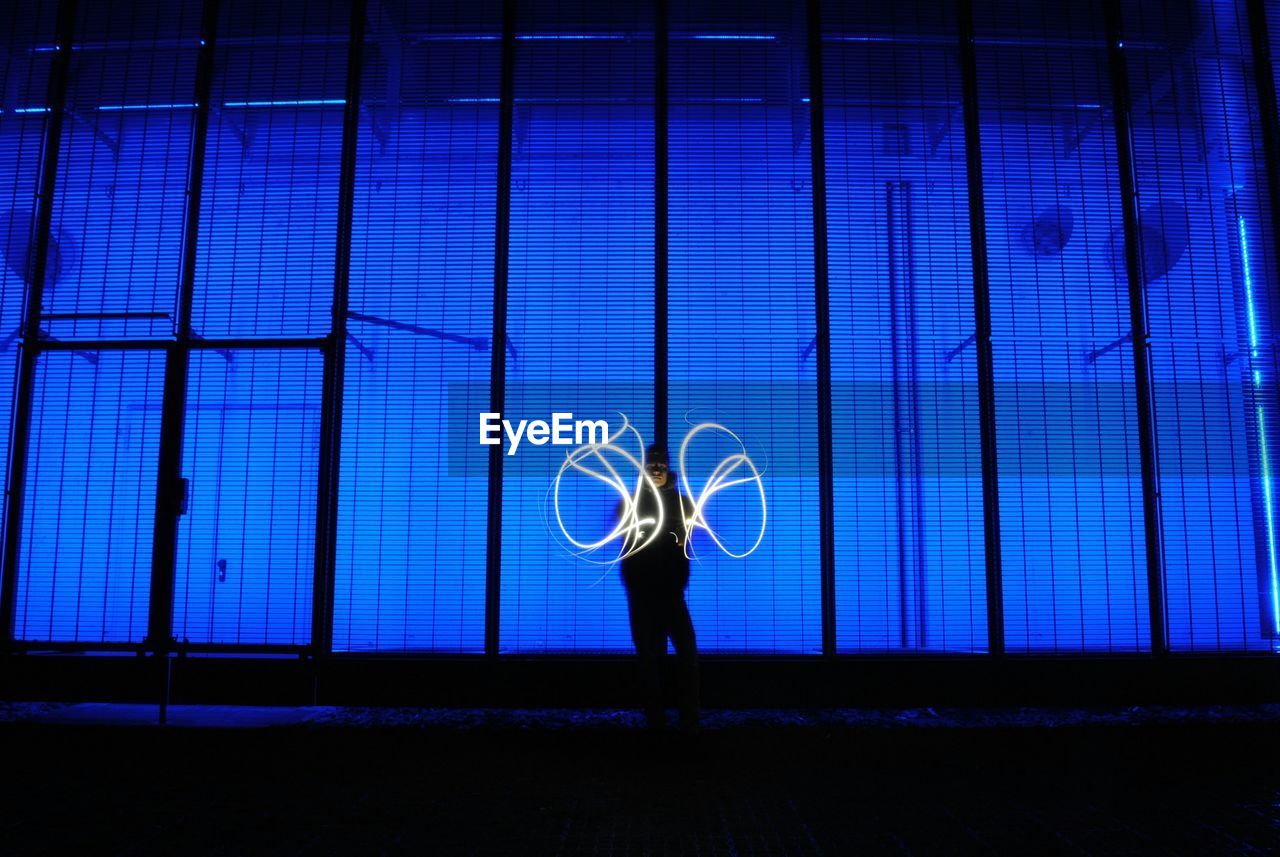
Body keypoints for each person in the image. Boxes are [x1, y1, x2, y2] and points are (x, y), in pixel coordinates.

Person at [617, 444, 700, 732]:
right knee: (650, 656)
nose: (656, 470)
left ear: (668, 469)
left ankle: (687, 716)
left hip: (671, 591)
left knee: (686, 651)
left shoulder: (683, 503)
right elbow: (627, 547)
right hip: (643, 592)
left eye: (661, 465)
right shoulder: (630, 503)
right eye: (651, 465)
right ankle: (657, 719)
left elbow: (686, 541)